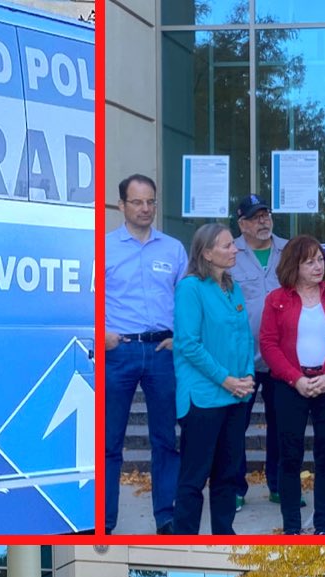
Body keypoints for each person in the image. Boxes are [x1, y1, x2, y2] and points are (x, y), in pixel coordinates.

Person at [260, 234, 325, 534]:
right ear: (293, 265)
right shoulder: (276, 300)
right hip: (291, 386)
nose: (318, 266)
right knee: (289, 456)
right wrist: (297, 379)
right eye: (309, 261)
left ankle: (322, 527)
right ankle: (291, 527)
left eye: (320, 259)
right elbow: (268, 344)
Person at [104, 174, 187, 534]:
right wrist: (99, 333)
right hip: (118, 352)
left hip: (161, 351)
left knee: (165, 439)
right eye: (137, 202)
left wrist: (179, 337)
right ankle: (104, 520)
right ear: (121, 205)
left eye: (151, 201)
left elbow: (187, 300)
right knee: (109, 442)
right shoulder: (103, 248)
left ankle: (165, 517)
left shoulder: (173, 249)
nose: (145, 209)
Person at [171, 222, 256, 535]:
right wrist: (226, 379)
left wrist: (246, 376)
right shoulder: (190, 288)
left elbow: (245, 335)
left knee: (227, 475)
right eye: (226, 246)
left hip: (235, 394)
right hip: (204, 396)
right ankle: (184, 538)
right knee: (194, 478)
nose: (235, 249)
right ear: (206, 253)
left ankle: (224, 534)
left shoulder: (231, 286)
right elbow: (188, 344)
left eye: (233, 245)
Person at [231, 194, 288, 510]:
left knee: (282, 424)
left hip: (281, 356)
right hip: (242, 356)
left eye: (265, 214)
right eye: (255, 217)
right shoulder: (229, 251)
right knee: (237, 425)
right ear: (242, 224)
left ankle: (279, 485)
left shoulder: (289, 250)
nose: (263, 221)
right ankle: (237, 488)